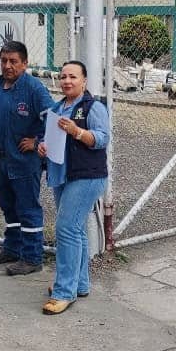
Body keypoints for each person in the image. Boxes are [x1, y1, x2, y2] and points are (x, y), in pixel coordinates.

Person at [37, 60, 110, 315]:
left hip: (86, 177)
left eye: (73, 77)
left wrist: (77, 131)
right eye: (63, 76)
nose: (67, 81)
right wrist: (42, 146)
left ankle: (63, 292)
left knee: (66, 229)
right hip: (62, 174)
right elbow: (47, 137)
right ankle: (79, 284)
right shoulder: (57, 108)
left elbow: (102, 139)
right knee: (75, 230)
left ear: (84, 81)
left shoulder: (93, 107)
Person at [0, 41, 54, 276]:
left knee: (27, 208)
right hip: (5, 159)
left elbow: (54, 119)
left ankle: (32, 258)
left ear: (24, 63)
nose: (7, 66)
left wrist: (37, 141)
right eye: (4, 60)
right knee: (9, 205)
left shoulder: (34, 89)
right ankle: (12, 248)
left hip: (25, 162)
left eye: (13, 61)